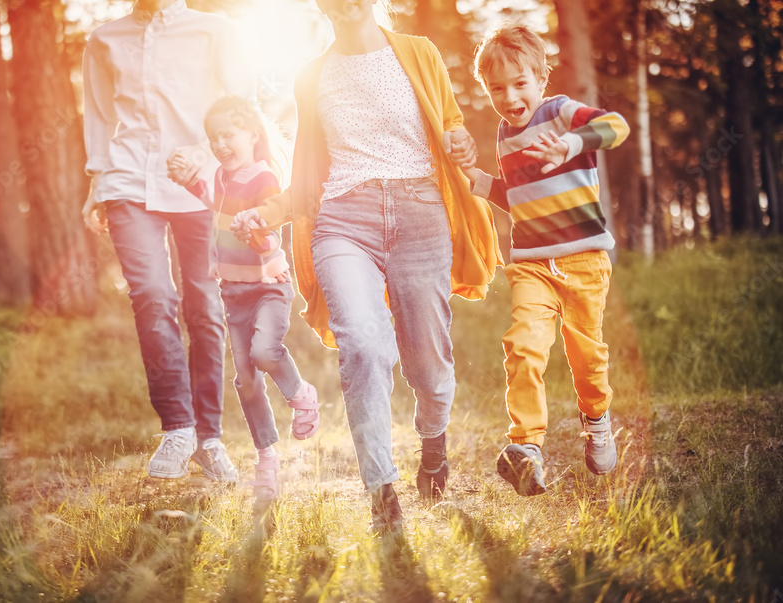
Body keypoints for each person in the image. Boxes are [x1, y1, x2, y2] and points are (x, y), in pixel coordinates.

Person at [234, 0, 502, 534]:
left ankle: (433, 441)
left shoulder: (418, 53)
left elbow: (451, 128)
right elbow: (308, 179)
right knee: (363, 343)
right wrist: (266, 213)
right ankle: (381, 490)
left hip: (421, 212)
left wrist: (462, 139)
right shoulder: (311, 77)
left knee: (428, 361)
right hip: (343, 218)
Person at [448, 24, 630, 496]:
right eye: (497, 88)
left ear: (541, 78)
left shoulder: (561, 111)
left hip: (584, 260)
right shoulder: (505, 137)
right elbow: (515, 199)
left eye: (519, 83)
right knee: (524, 345)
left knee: (586, 357)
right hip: (531, 264)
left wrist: (572, 142)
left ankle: (597, 420)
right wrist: (471, 175)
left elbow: (616, 127)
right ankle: (526, 446)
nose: (509, 96)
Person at [80, 0, 253, 482]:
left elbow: (242, 107)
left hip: (203, 181)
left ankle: (210, 438)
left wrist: (209, 159)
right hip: (128, 181)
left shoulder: (214, 31)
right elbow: (97, 117)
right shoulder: (104, 39)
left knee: (205, 304)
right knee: (153, 295)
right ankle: (178, 427)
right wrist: (97, 184)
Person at [168, 96, 322, 499]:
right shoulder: (220, 176)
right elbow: (217, 206)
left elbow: (270, 234)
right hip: (233, 293)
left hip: (268, 286)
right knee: (246, 381)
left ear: (252, 134)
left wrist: (252, 230)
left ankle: (301, 394)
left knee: (264, 353)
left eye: (228, 135)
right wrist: (191, 182)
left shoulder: (264, 177)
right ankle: (266, 458)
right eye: (213, 137)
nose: (220, 144)